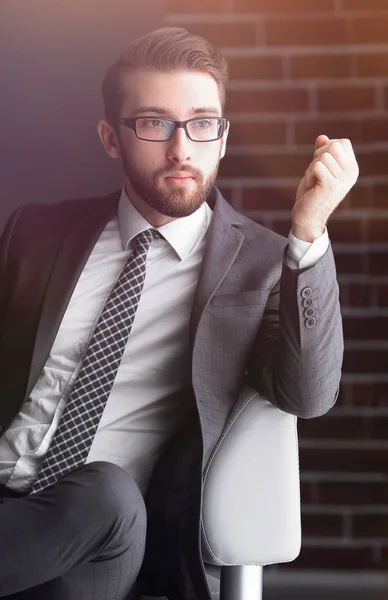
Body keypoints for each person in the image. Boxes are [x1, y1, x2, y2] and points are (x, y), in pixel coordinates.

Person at [0, 26, 358, 600]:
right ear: (111, 138)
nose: (180, 148)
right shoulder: (35, 233)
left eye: (201, 123)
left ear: (222, 137)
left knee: (107, 493)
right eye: (153, 122)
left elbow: (308, 394)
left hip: (108, 539)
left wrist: (309, 235)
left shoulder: (264, 263)